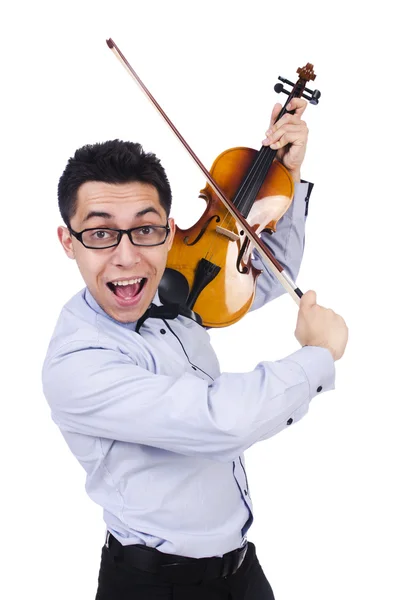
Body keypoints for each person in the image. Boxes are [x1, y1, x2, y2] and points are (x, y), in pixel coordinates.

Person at [42, 97, 348, 600]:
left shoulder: (173, 293)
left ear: (169, 231)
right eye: (100, 233)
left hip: (243, 572)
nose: (126, 256)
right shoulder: (77, 364)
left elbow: (265, 276)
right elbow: (217, 421)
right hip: (154, 586)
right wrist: (317, 357)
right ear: (68, 241)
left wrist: (288, 178)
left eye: (145, 229)